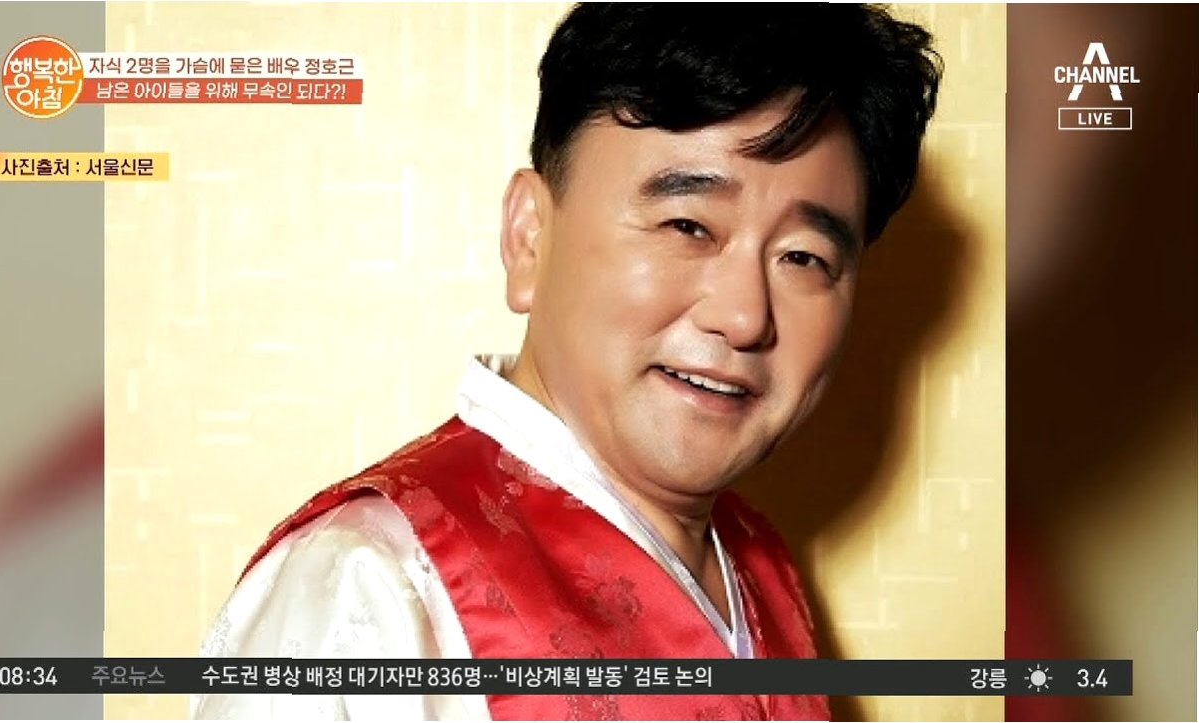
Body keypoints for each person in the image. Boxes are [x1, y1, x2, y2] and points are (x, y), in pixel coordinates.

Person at [193, 4, 941, 720]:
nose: (744, 316)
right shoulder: (367, 583)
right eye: (687, 225)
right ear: (529, 236)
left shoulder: (761, 565)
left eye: (803, 257)